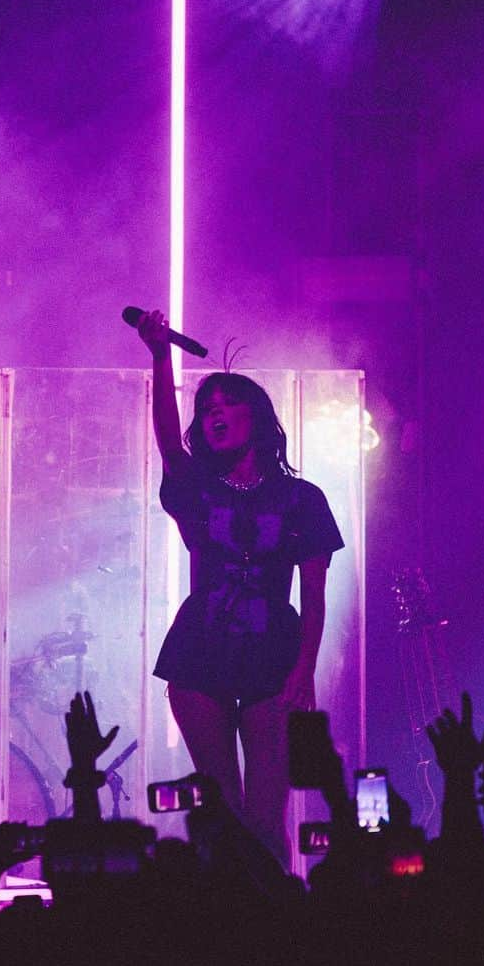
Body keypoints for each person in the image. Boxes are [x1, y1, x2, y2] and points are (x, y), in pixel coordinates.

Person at [136, 310, 344, 864]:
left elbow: (315, 599)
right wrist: (161, 356)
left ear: (257, 416)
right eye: (206, 409)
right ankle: (227, 931)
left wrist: (304, 670)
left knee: (265, 812)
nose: (214, 415)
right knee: (221, 808)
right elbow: (166, 439)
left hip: (274, 654)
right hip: (201, 648)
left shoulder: (303, 499)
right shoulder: (198, 489)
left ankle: (276, 928)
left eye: (227, 405)